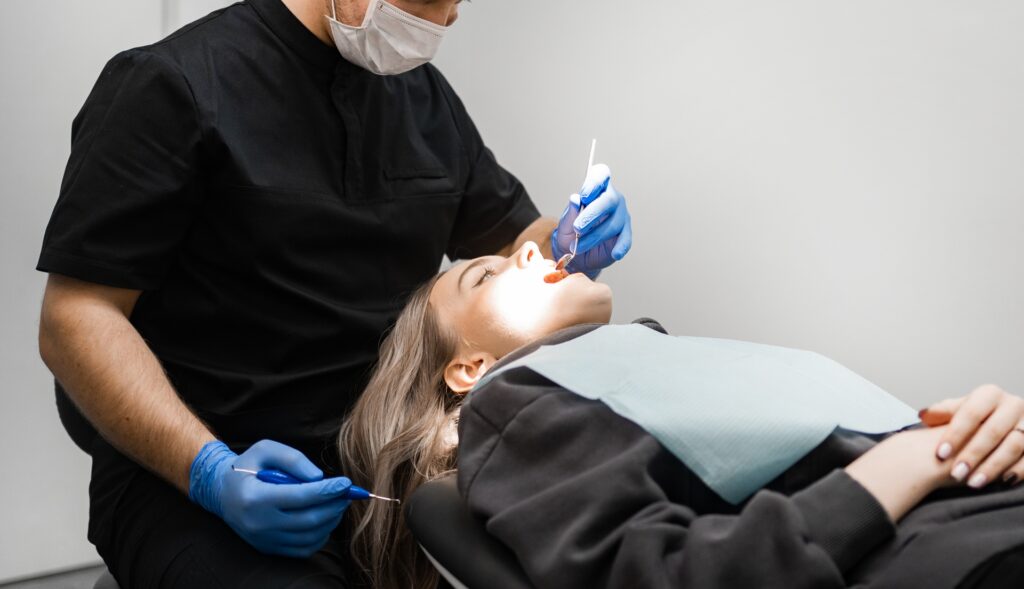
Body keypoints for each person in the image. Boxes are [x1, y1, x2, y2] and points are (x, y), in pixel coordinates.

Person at [35, 0, 632, 586]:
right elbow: (75, 319)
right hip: (204, 467)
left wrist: (571, 243)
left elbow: (511, 243)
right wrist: (211, 473)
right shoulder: (173, 85)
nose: (448, 19)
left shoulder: (425, 100)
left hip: (385, 465)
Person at [339, 241, 1024, 589]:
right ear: (469, 369)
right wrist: (911, 460)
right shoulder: (515, 405)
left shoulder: (634, 370)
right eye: (484, 275)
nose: (530, 247)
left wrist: (974, 436)